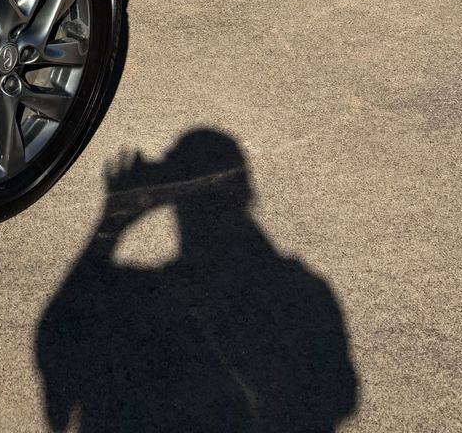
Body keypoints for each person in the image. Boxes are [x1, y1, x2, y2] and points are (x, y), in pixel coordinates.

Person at [36, 130, 358, 432]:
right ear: (245, 195)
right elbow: (341, 397)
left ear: (175, 205)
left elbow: (59, 349)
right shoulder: (301, 293)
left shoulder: (146, 302)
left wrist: (114, 218)